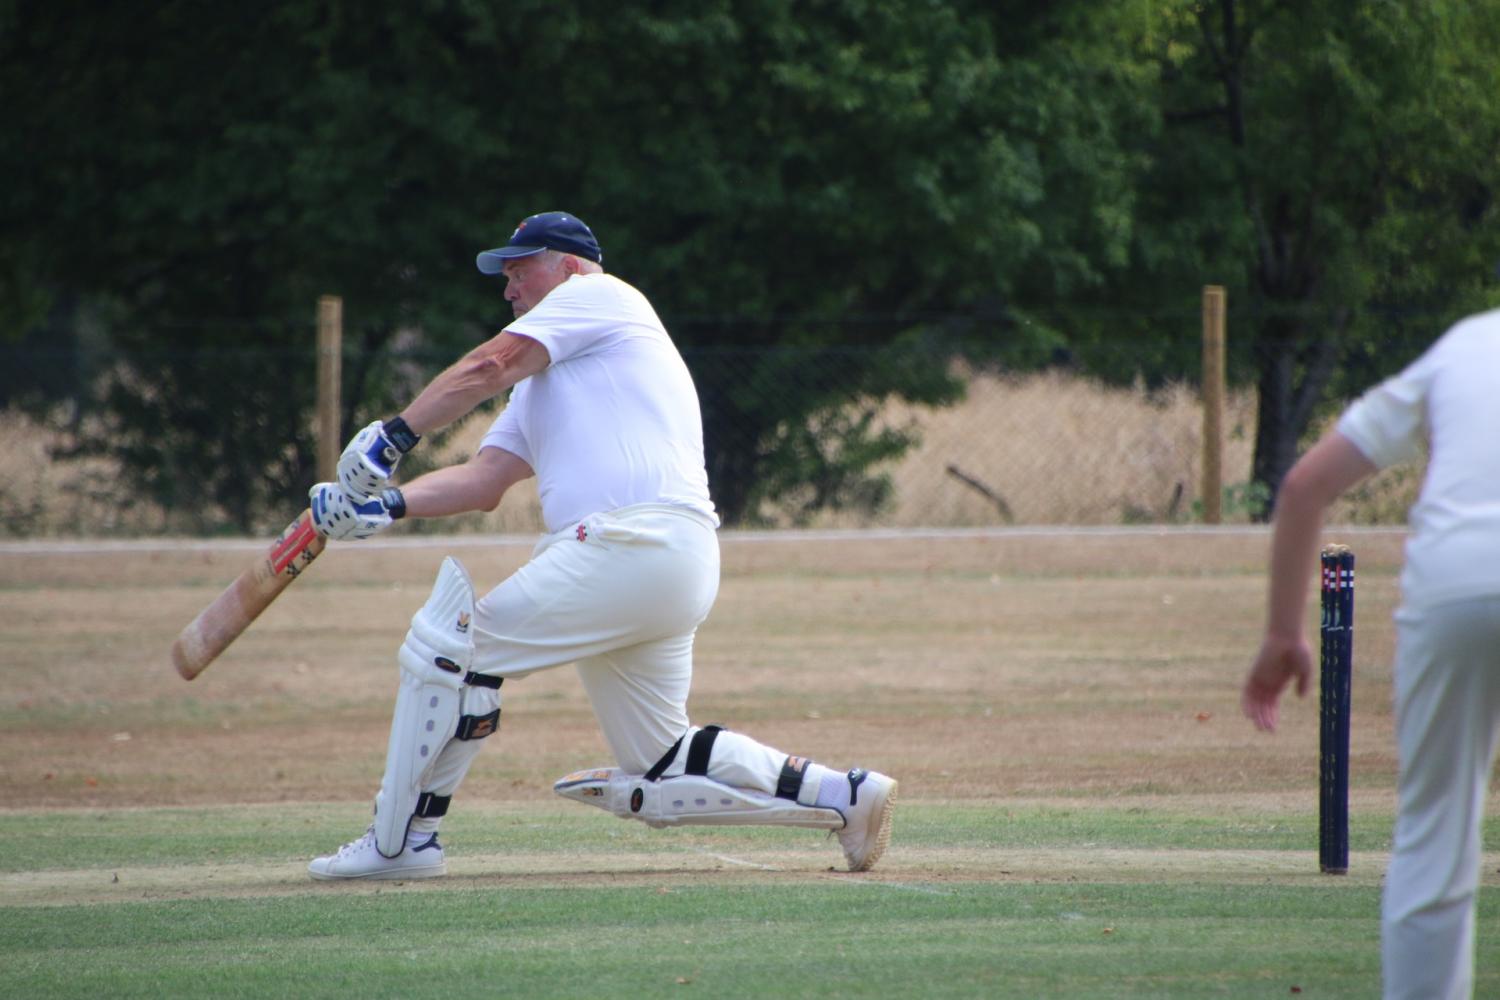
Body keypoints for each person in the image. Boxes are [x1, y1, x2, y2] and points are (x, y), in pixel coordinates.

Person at [303, 211, 896, 881]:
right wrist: (382, 505)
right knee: (661, 760)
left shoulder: (600, 296)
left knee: (450, 648)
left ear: (569, 265)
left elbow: (487, 363)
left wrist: (390, 438)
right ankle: (844, 795)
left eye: (519, 268)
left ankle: (401, 841)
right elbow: (486, 479)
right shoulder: (549, 379)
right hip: (663, 560)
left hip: (630, 541)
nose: (508, 286)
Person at [1242, 309, 1500, 1000]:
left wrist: (1281, 635)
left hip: (1454, 583)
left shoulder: (1466, 346)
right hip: (1453, 582)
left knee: (1435, 841)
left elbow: (1303, 486)